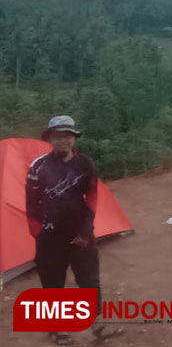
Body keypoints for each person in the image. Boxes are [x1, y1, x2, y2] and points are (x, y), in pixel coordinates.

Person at [26, 116, 119, 345]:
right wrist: (37, 230)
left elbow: (93, 196)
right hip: (50, 236)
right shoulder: (39, 166)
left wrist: (86, 230)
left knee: (89, 279)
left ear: (73, 138)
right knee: (52, 282)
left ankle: (97, 323)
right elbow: (31, 201)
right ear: (50, 138)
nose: (63, 141)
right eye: (58, 136)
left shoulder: (85, 163)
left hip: (81, 234)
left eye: (67, 136)